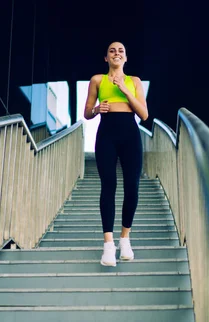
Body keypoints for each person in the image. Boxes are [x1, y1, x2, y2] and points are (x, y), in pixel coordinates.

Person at [83, 41, 149, 266]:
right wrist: (96, 109)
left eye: (121, 50)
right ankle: (108, 245)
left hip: (130, 134)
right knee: (108, 185)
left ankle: (125, 239)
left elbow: (144, 114)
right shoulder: (97, 80)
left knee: (132, 187)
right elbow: (87, 113)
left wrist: (124, 89)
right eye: (112, 50)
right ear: (106, 58)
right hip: (106, 135)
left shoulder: (134, 81)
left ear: (126, 58)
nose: (117, 53)